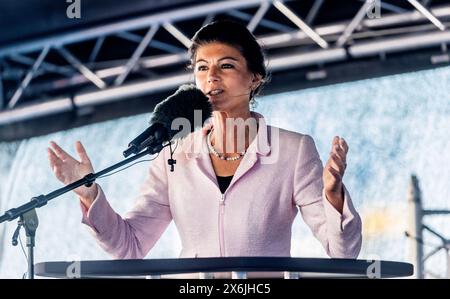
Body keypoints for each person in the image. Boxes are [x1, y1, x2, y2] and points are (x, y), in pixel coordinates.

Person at [47, 20, 362, 265]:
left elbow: (343, 252)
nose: (211, 77)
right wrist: (89, 194)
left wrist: (333, 196)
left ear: (254, 77)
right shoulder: (173, 154)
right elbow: (129, 247)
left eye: (226, 66)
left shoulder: (293, 151)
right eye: (201, 68)